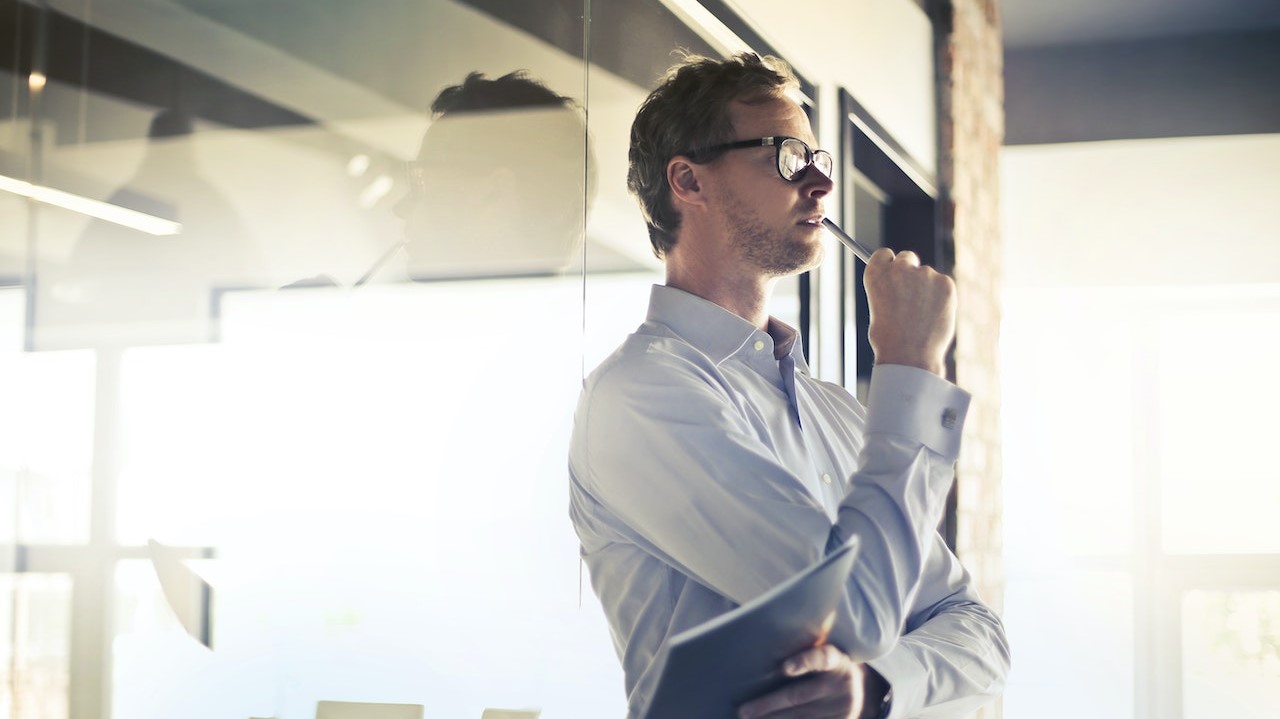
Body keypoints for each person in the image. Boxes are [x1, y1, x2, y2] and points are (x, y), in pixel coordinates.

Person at [568, 52, 1010, 718]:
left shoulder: (838, 412)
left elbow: (977, 627)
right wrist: (912, 365)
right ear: (688, 180)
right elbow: (857, 613)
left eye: (818, 158)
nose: (819, 183)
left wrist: (878, 684)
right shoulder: (641, 396)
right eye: (783, 154)